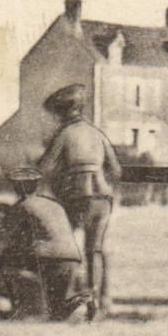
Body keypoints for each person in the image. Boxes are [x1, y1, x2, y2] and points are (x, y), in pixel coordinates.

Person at [38, 83, 122, 318]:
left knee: (63, 246)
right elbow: (116, 170)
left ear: (63, 112)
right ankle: (102, 300)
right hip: (103, 198)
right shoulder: (97, 134)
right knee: (96, 249)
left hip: (78, 197)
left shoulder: (65, 134)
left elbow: (44, 167)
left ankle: (68, 298)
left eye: (56, 113)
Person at [0, 166, 85, 320]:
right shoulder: (54, 204)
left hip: (47, 257)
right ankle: (81, 301)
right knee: (57, 311)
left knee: (6, 263)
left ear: (18, 187)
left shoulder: (23, 205)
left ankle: (19, 308)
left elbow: (6, 233)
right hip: (72, 257)